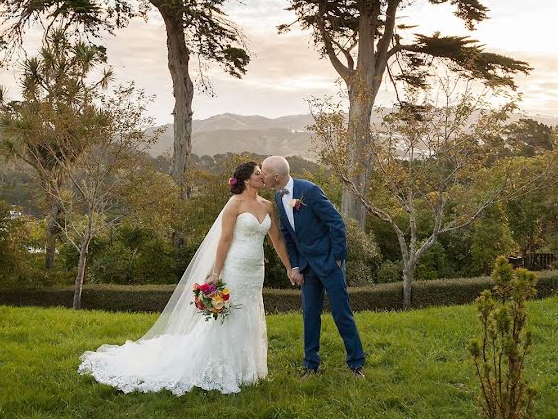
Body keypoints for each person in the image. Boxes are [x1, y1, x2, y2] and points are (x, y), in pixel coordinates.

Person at [78, 160, 294, 395]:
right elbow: (224, 241)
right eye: (257, 173)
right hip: (236, 268)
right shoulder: (234, 205)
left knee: (250, 312)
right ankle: (221, 367)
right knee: (230, 315)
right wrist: (215, 273)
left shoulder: (267, 205)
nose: (262, 176)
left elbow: (277, 240)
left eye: (262, 173)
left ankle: (247, 368)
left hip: (255, 271)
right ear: (245, 180)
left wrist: (288, 267)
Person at [261, 155, 365, 377]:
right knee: (309, 315)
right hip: (307, 268)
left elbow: (336, 222)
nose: (262, 176)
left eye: (265, 173)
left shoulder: (309, 190)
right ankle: (310, 365)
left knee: (341, 313)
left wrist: (337, 258)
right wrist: (296, 266)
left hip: (329, 263)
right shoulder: (279, 198)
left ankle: (356, 365)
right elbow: (288, 236)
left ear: (276, 176)